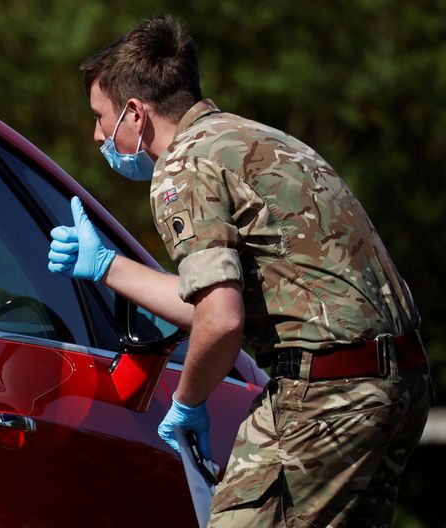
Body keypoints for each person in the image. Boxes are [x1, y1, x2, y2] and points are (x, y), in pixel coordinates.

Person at [47, 15, 430, 527]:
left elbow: (221, 321)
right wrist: (107, 267)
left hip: (325, 396)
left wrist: (188, 402)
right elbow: (210, 300)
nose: (97, 134)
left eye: (101, 116)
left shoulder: (183, 165)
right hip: (399, 383)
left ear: (135, 113)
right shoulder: (255, 139)